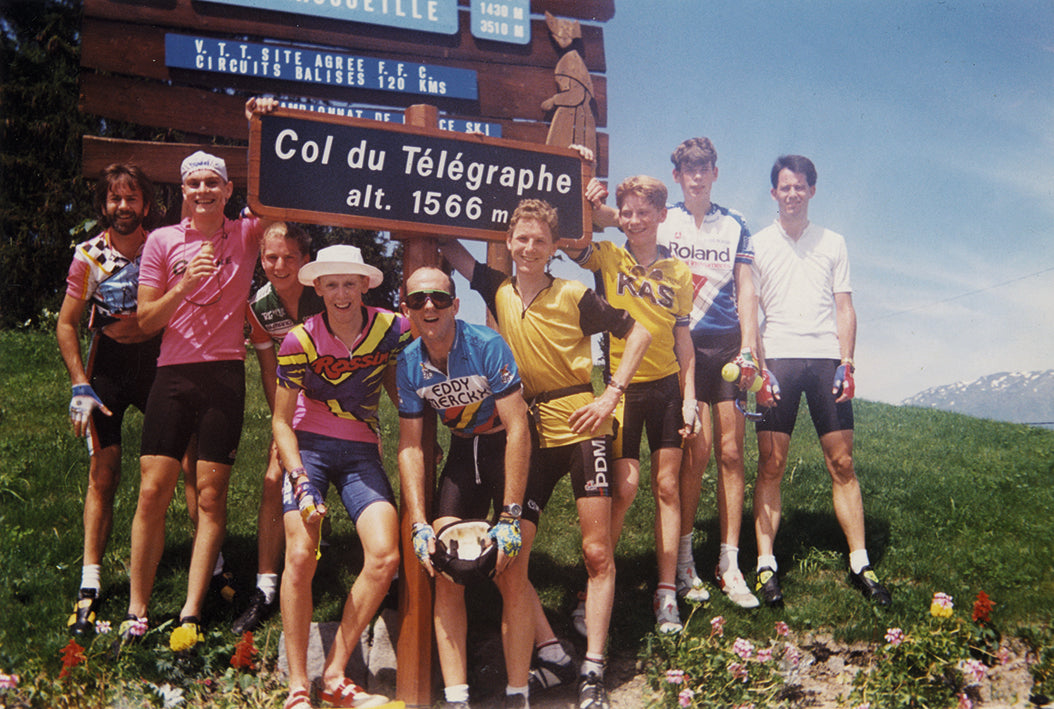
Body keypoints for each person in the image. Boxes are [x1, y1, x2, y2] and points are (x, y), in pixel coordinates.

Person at [118, 138, 274, 650]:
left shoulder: (248, 232)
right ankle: (137, 610)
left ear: (228, 189)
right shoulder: (163, 241)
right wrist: (184, 285)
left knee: (210, 497)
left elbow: (280, 188)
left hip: (225, 375)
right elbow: (144, 319)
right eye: (194, 183)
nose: (204, 190)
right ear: (182, 191)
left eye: (213, 182)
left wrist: (258, 120)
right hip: (174, 373)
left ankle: (190, 610)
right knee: (151, 491)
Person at [595, 138, 761, 608]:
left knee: (731, 452)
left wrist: (750, 347)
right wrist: (592, 197)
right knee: (697, 451)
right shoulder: (661, 218)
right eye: (688, 168)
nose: (697, 175)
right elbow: (617, 217)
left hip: (724, 345)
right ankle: (684, 559)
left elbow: (746, 289)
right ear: (677, 176)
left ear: (715, 171)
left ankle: (729, 562)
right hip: (676, 350)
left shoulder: (735, 225)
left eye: (704, 167)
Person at [57, 164, 194, 635]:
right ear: (103, 206)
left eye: (131, 198)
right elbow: (66, 322)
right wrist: (80, 382)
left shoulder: (162, 245)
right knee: (104, 471)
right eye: (114, 199)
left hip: (159, 360)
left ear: (146, 205)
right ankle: (89, 582)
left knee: (186, 461)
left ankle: (210, 567)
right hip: (110, 366)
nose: (123, 207)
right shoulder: (89, 255)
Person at [750, 154, 891, 607]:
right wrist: (758, 364)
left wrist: (847, 362)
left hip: (826, 358)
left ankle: (860, 562)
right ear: (773, 192)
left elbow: (845, 306)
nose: (792, 193)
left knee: (842, 463)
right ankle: (766, 564)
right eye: (784, 187)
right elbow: (749, 312)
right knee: (771, 464)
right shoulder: (757, 243)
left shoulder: (834, 242)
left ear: (812, 190)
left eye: (800, 186)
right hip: (779, 360)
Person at [274, 244, 408, 709]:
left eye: (350, 282)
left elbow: (438, 332)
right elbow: (279, 421)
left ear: (367, 285)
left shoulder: (392, 328)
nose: (342, 293)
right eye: (331, 284)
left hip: (360, 452)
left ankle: (333, 675)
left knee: (385, 557)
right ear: (317, 287)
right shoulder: (300, 339)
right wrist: (298, 478)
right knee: (299, 554)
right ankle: (296, 685)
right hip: (307, 448)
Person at [396, 266, 534, 709]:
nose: (429, 306)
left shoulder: (486, 345)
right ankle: (457, 698)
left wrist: (510, 515)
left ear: (456, 305)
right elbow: (412, 447)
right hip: (461, 453)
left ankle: (518, 693)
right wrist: (418, 523)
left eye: (439, 298)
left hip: (503, 451)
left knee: (510, 569)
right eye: (418, 300)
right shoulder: (409, 363)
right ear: (407, 310)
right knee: (446, 565)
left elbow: (518, 430)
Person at [566, 176, 697, 635]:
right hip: (620, 386)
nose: (635, 221)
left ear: (662, 216)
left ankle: (665, 594)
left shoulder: (679, 272)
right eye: (627, 212)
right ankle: (593, 586)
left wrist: (691, 397)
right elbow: (567, 238)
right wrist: (587, 200)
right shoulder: (607, 255)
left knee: (666, 487)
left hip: (666, 388)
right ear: (617, 216)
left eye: (645, 212)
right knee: (624, 486)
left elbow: (684, 341)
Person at [232, 222, 324, 635]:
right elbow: (270, 371)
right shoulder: (259, 305)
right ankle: (266, 586)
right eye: (271, 257)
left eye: (290, 257)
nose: (280, 265)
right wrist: (280, 425)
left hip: (342, 399)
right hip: (293, 403)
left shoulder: (323, 292)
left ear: (306, 260)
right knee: (274, 478)